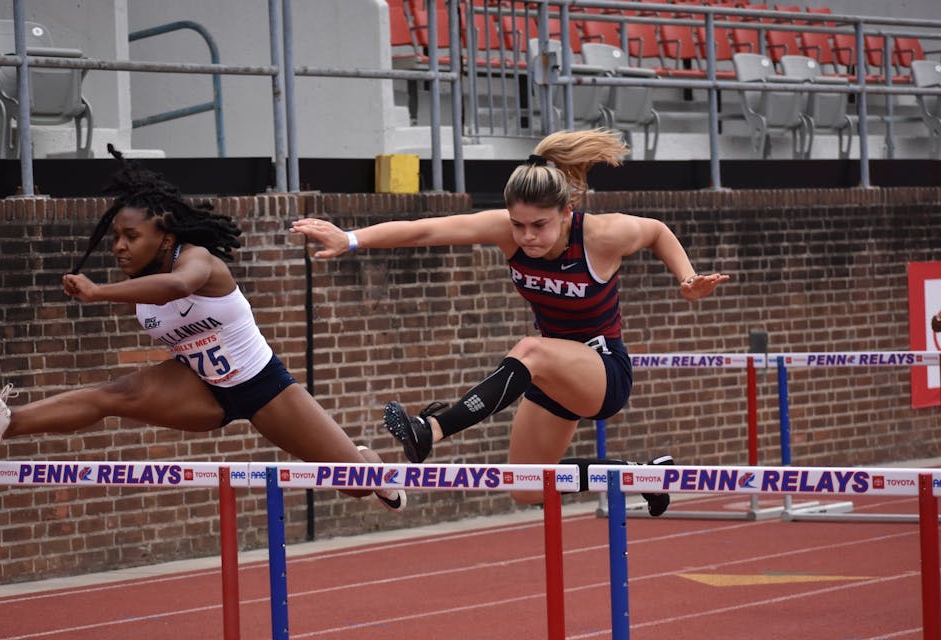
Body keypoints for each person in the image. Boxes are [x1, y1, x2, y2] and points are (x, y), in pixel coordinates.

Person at [291, 129, 729, 512]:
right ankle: (639, 474)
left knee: (531, 348)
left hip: (603, 370)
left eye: (539, 225)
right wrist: (349, 239)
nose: (527, 238)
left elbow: (655, 230)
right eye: (518, 226)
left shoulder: (601, 235)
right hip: (549, 373)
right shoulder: (508, 231)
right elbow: (429, 229)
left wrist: (686, 278)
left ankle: (432, 429)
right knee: (527, 486)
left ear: (567, 211)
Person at [0, 145, 405, 512]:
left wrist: (99, 293)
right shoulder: (142, 283)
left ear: (166, 236)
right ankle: (5, 421)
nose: (119, 245)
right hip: (199, 386)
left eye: (131, 236)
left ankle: (370, 463)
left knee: (355, 481)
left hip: (263, 387)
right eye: (115, 236)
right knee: (112, 394)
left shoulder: (198, 261)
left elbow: (177, 287)